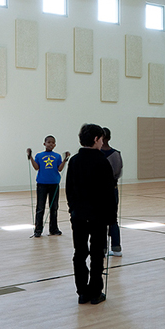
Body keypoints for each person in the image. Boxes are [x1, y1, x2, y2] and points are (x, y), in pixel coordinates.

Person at [66, 123, 116, 305]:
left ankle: (82, 292)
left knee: (79, 253)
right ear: (96, 139)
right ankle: (95, 292)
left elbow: (69, 189)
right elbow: (109, 193)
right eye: (101, 138)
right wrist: (111, 218)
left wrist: (73, 209)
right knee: (96, 253)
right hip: (98, 216)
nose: (102, 142)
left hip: (78, 216)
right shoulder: (102, 162)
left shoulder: (74, 161)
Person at [26, 136, 70, 237]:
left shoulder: (57, 156)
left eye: (53, 143)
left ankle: (53, 229)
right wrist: (31, 156)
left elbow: (59, 169)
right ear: (44, 143)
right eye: (49, 142)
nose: (51, 144)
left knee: (54, 207)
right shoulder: (39, 155)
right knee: (40, 208)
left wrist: (65, 160)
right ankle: (38, 230)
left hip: (54, 184)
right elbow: (36, 167)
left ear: (55, 145)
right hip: (42, 184)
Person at [101, 127, 124, 257]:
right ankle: (116, 248)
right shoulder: (117, 154)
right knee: (113, 219)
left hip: (103, 191)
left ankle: (103, 249)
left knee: (102, 221)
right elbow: (118, 172)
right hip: (113, 189)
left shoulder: (99, 155)